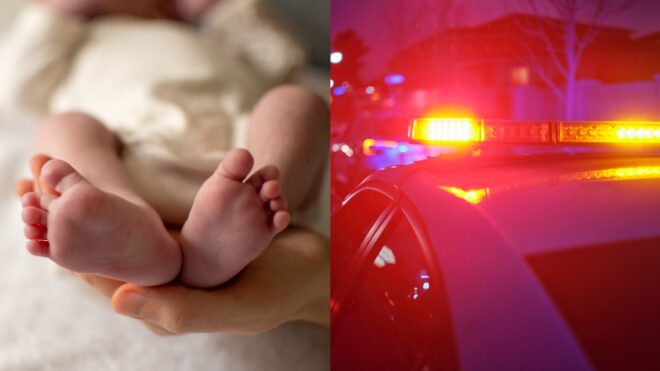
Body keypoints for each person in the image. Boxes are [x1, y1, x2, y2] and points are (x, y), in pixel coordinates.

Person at [4, 0, 329, 291]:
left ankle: (221, 241)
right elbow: (16, 87)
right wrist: (62, 11)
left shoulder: (209, 36)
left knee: (296, 102)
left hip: (242, 157)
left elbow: (283, 59)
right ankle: (127, 226)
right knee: (65, 127)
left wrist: (221, 10)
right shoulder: (78, 39)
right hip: (124, 159)